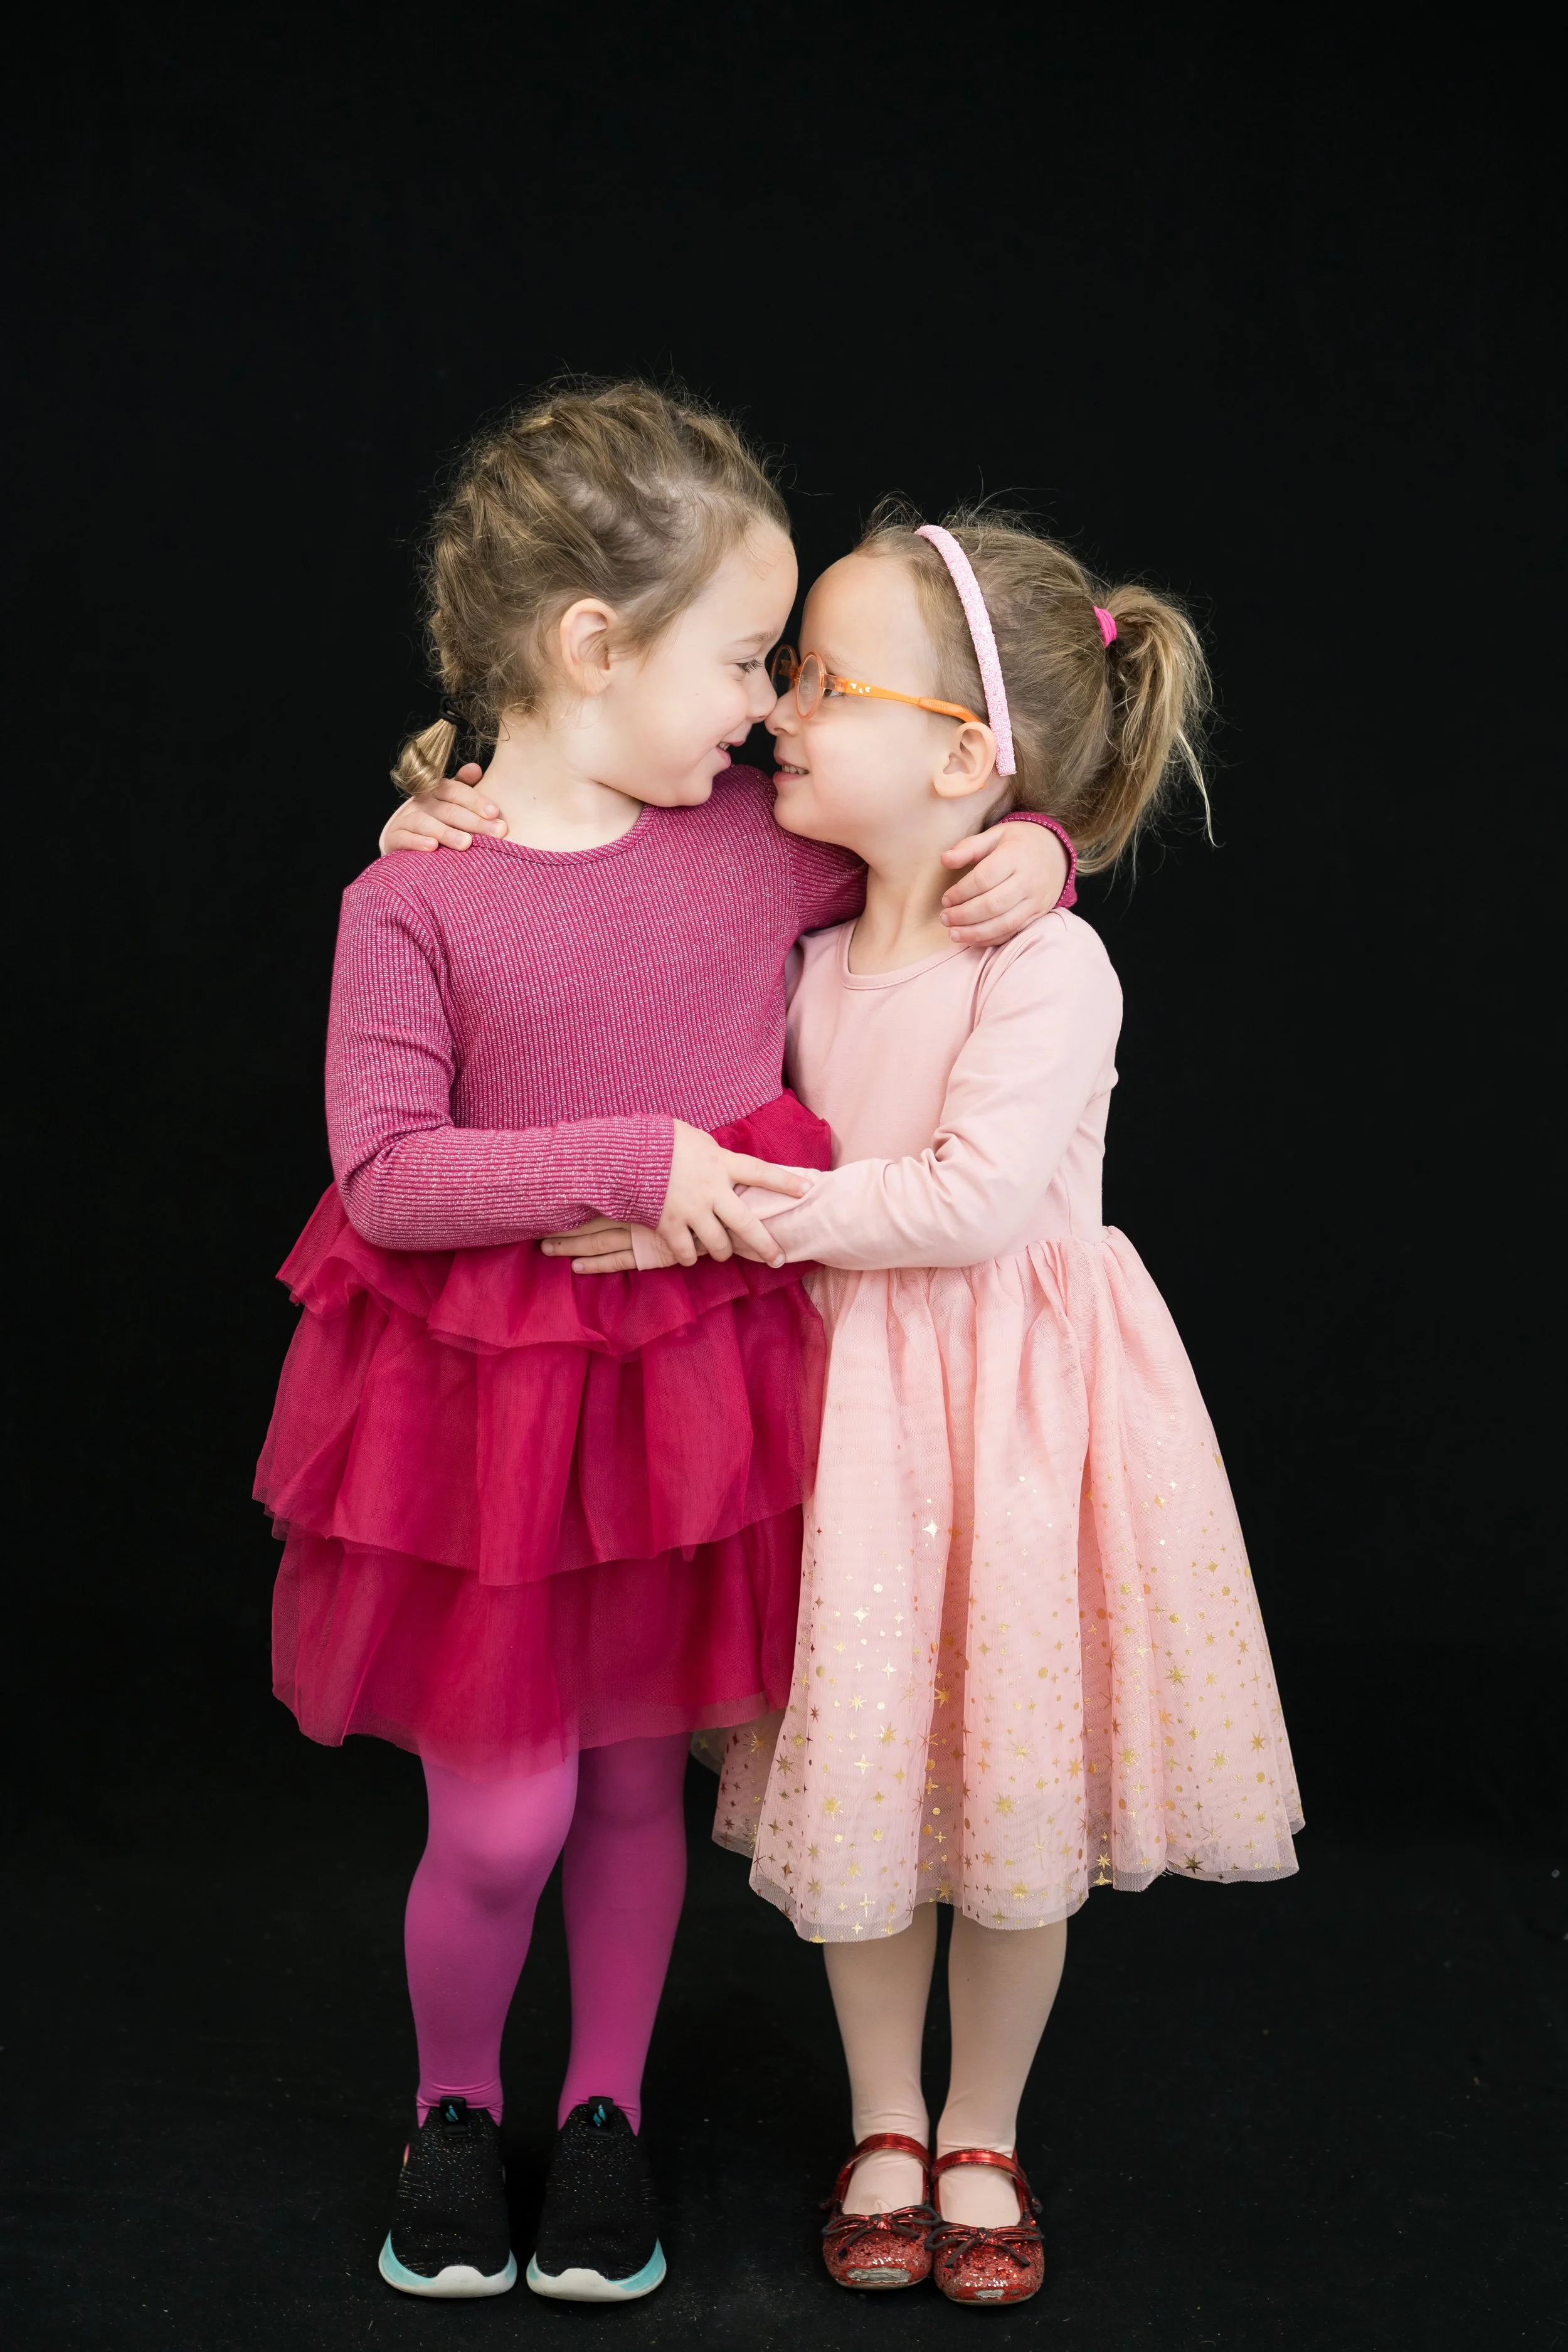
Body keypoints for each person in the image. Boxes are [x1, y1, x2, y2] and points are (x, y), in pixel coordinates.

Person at [258, 386, 1073, 2306]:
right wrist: (643, 1156)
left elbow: (921, 828)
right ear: (590, 647)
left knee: (638, 1789)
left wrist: (1038, 843)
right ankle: (454, 2106)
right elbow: (386, 1172)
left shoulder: (743, 846)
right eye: (740, 657)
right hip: (486, 1416)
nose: (770, 707)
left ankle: (605, 2108)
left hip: (687, 1409)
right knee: (503, 1814)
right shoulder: (413, 894)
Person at [553, 507, 1302, 2308]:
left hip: (1015, 1424)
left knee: (1012, 1806)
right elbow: (580, 852)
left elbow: (968, 1201)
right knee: (871, 1774)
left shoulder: (1045, 961)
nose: (778, 713)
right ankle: (883, 2118)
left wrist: (729, 1211)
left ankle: (983, 2125)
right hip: (852, 1429)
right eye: (787, 675)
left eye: (825, 681)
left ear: (965, 758)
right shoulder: (797, 934)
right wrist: (430, 806)